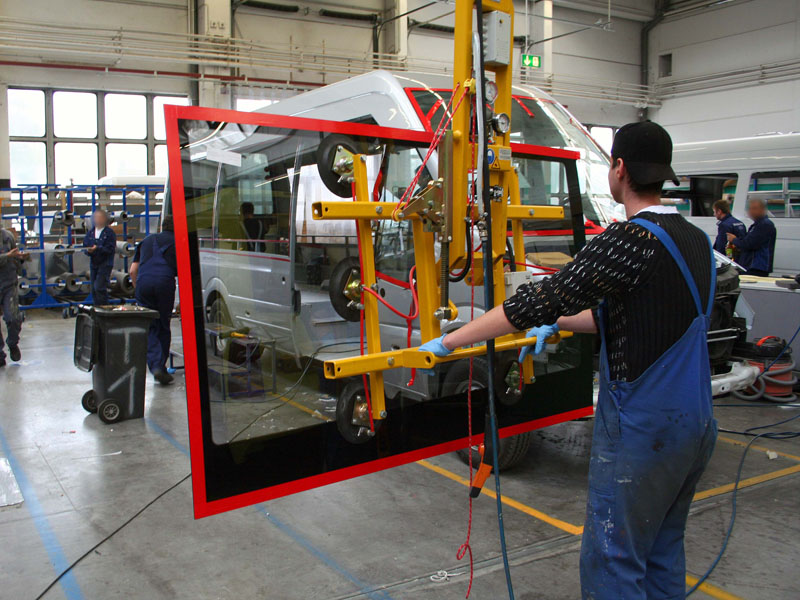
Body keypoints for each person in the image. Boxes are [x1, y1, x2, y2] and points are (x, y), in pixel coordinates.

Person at [421, 121, 718, 599]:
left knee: (613, 557)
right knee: (661, 550)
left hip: (644, 431)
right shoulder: (697, 240)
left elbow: (537, 299)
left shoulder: (630, 240)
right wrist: (559, 324)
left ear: (618, 169)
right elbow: (631, 317)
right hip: (695, 425)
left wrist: (452, 341)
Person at [129, 217, 178, 385]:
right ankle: (160, 366)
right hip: (164, 283)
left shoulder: (147, 240)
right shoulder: (179, 242)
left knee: (149, 325)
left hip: (143, 283)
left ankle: (155, 365)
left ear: (161, 227)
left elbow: (133, 270)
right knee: (163, 324)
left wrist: (138, 288)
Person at [727, 198, 777, 277]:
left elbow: (749, 244)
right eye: (750, 208)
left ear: (762, 210)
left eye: (754, 208)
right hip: (750, 266)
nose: (751, 211)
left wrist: (734, 240)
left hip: (755, 267)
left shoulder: (764, 225)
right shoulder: (757, 225)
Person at [0, 226, 28, 366]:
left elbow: (14, 256)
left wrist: (20, 258)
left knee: (13, 318)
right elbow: (8, 255)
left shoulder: (7, 236)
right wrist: (7, 256)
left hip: (8, 283)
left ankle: (12, 343)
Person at [82, 209, 117, 305]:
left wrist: (98, 248)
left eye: (100, 217)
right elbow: (85, 246)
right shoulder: (90, 233)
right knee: (93, 289)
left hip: (105, 264)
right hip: (94, 263)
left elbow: (110, 249)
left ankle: (104, 308)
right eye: (96, 217)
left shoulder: (109, 233)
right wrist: (88, 250)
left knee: (99, 287)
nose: (98, 219)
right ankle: (97, 309)